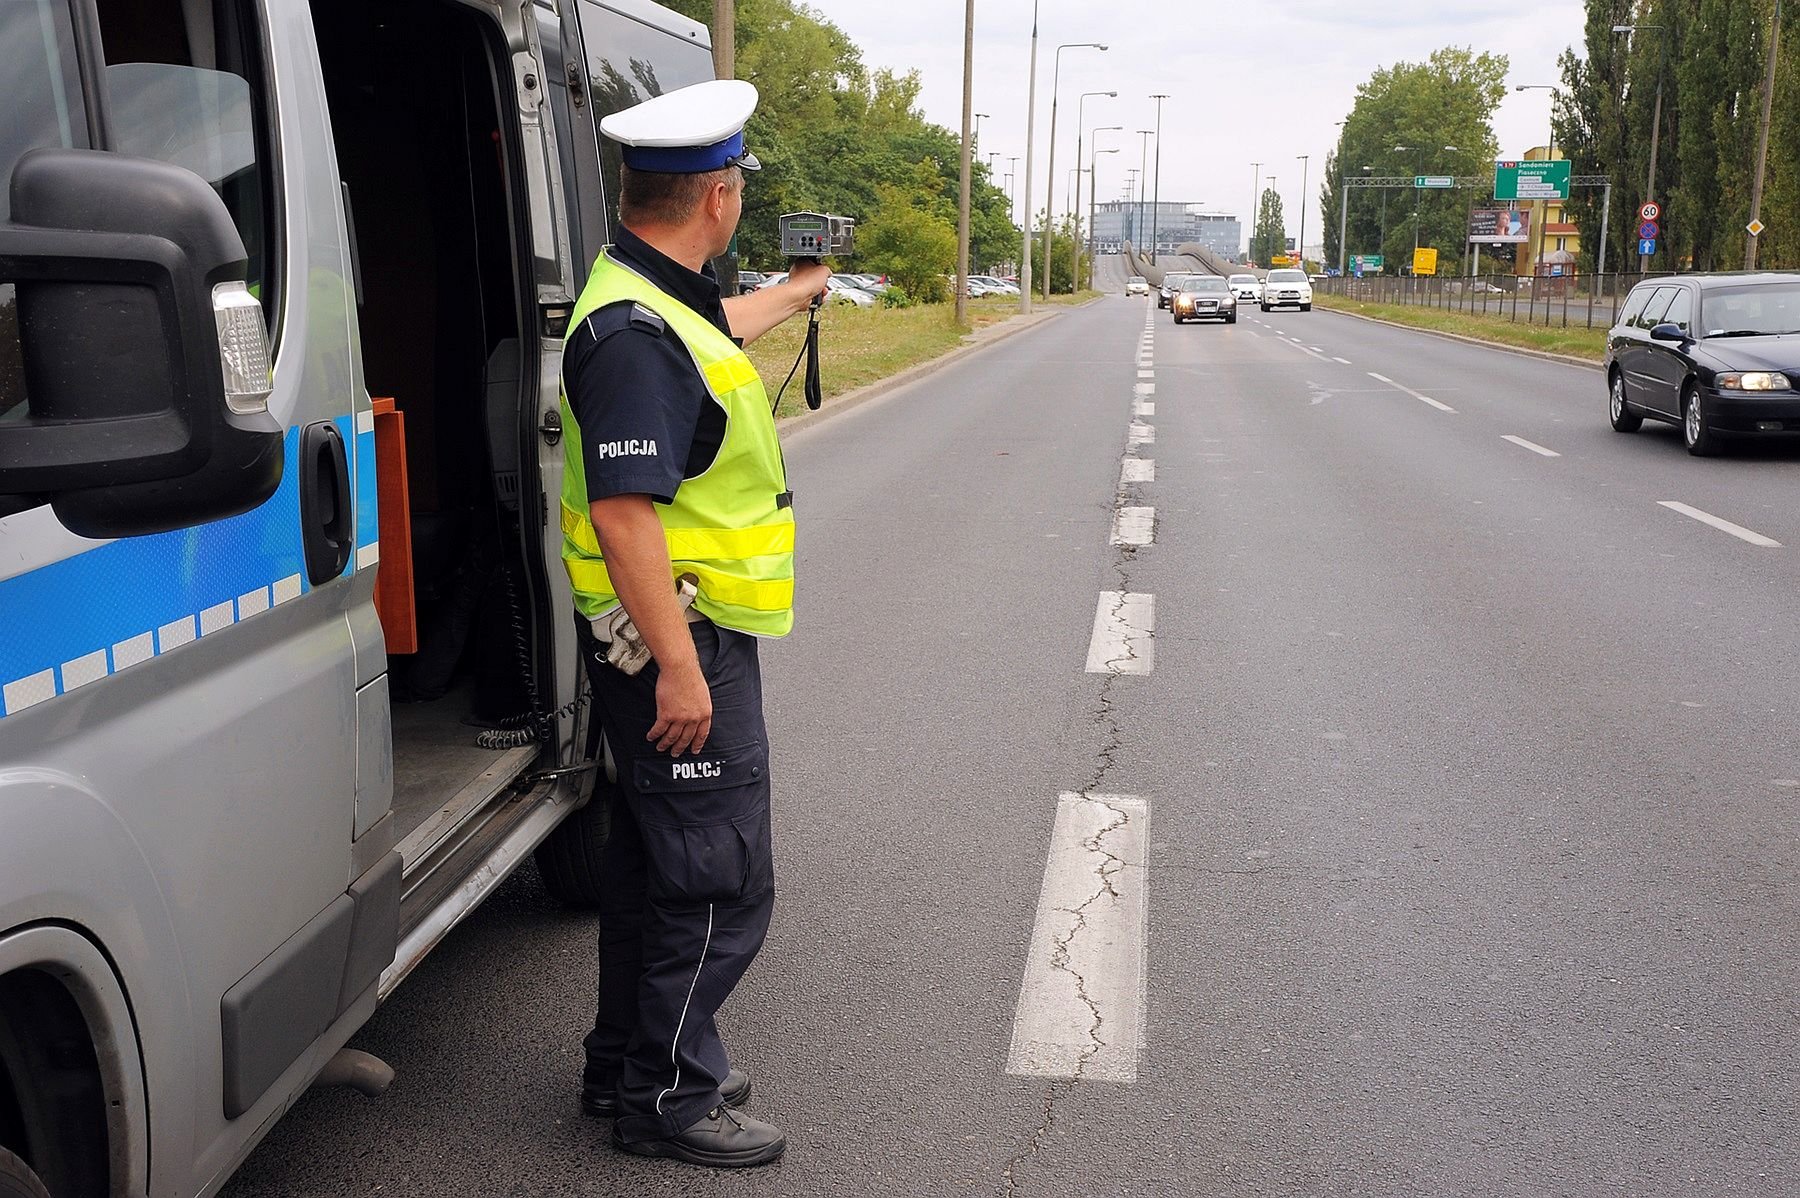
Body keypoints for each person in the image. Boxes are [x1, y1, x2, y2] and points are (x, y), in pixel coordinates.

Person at [558, 78, 828, 1168]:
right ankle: (670, 1094)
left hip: (676, 633)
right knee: (719, 874)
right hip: (676, 637)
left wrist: (795, 294)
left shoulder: (649, 294)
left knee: (654, 861)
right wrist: (679, 667)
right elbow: (625, 513)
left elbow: (711, 327)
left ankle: (625, 1060)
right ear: (717, 197)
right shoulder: (631, 334)